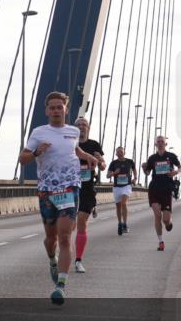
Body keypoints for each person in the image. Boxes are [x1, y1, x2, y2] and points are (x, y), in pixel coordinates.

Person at [19, 92, 100, 305]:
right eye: (52, 107)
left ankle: (61, 287)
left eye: (59, 107)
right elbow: (22, 159)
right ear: (47, 111)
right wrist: (36, 153)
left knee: (65, 237)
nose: (56, 110)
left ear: (65, 110)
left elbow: (76, 149)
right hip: (47, 190)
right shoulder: (39, 132)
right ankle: (51, 260)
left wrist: (89, 157)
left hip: (70, 188)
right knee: (51, 239)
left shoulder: (73, 131)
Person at [74, 117, 107, 273]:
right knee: (66, 226)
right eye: (78, 125)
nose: (81, 127)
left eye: (84, 125)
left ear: (88, 128)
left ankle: (78, 260)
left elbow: (102, 166)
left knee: (81, 221)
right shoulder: (69, 143)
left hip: (87, 189)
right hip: (70, 188)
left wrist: (100, 161)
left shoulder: (94, 145)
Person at [142, 135, 181, 251]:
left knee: (165, 220)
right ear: (155, 144)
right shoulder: (152, 158)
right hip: (154, 189)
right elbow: (147, 173)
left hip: (167, 189)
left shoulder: (171, 156)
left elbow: (180, 167)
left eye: (162, 141)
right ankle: (161, 242)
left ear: (165, 144)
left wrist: (175, 172)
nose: (160, 143)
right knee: (157, 215)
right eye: (158, 142)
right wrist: (144, 168)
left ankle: (169, 223)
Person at [107, 146, 137, 235]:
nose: (120, 153)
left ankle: (125, 223)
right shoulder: (113, 163)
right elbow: (108, 175)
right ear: (116, 154)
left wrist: (135, 178)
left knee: (124, 203)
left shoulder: (130, 161)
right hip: (117, 187)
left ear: (124, 152)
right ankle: (120, 223)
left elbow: (134, 170)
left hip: (126, 186)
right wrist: (114, 173)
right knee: (118, 206)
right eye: (118, 152)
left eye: (121, 151)